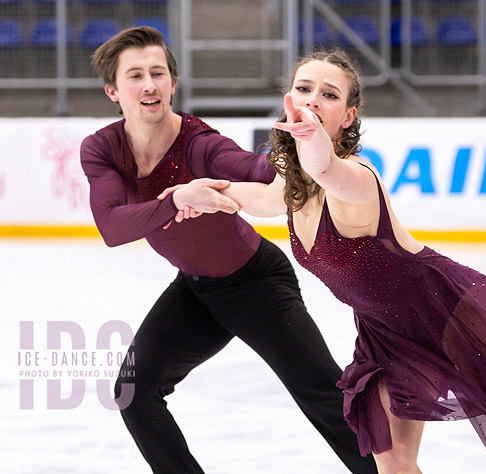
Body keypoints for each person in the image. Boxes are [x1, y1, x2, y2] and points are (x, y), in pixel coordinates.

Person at [164, 49, 486, 474]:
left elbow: (324, 166)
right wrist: (196, 191)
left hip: (453, 313)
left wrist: (311, 140)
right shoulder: (290, 186)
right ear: (288, 99)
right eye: (304, 89)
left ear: (347, 116)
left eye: (329, 95)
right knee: (393, 462)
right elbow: (255, 196)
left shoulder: (357, 177)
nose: (312, 100)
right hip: (387, 333)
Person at [79, 27, 377, 474]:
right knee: (134, 393)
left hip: (256, 283)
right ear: (113, 91)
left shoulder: (197, 141)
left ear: (173, 84)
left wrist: (298, 145)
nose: (149, 85)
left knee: (320, 393)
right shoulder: (102, 149)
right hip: (195, 291)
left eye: (158, 73)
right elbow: (111, 226)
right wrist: (176, 199)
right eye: (135, 75)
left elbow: (251, 168)